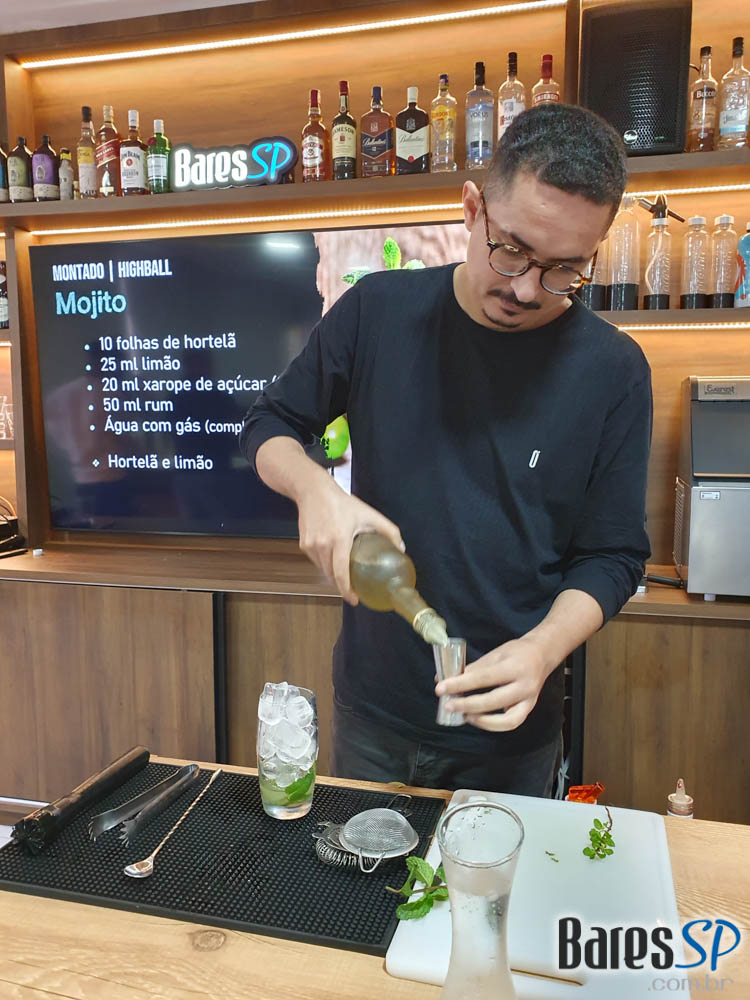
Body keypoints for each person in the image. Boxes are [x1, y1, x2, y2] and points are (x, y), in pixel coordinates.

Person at [240, 104, 652, 797]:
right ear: (472, 208)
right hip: (375, 711)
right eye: (511, 249)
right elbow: (268, 424)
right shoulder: (378, 311)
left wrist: (542, 650)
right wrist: (316, 490)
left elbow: (613, 555)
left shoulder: (614, 371)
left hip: (510, 729)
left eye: (564, 270)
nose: (525, 289)